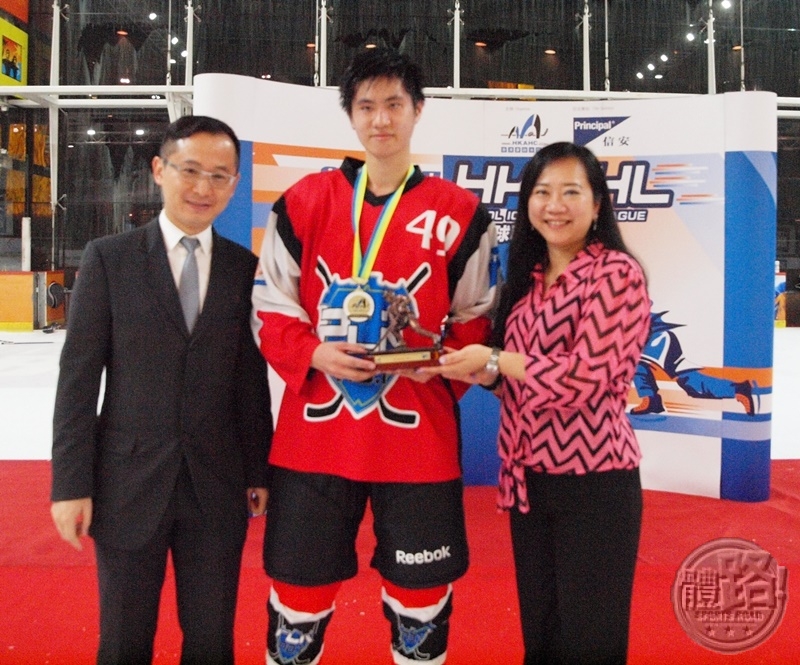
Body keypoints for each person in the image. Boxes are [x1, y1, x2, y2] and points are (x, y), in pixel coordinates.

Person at [251, 48, 498, 665]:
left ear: (418, 110)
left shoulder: (461, 212)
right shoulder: (304, 201)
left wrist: (437, 364)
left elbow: (476, 317)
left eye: (394, 104)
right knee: (298, 594)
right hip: (315, 440)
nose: (381, 119)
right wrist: (314, 352)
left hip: (417, 438)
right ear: (350, 115)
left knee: (420, 600)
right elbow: (271, 306)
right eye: (366, 106)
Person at [50, 115, 273, 664]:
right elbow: (78, 382)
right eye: (189, 170)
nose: (203, 188)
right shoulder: (109, 259)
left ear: (235, 184)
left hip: (216, 486)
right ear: (158, 170)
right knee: (124, 641)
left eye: (219, 176)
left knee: (211, 641)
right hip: (127, 484)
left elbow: (249, 381)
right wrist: (70, 484)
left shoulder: (244, 268)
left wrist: (258, 470)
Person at [425, 142, 651, 664]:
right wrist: (473, 369)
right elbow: (521, 387)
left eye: (571, 192)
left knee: (589, 639)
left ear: (597, 204)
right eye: (542, 192)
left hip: (595, 483)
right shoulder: (527, 283)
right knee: (542, 631)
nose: (555, 205)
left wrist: (496, 358)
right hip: (529, 481)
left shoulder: (616, 274)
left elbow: (588, 378)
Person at [631, 309, 756, 416]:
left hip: (653, 338)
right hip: (640, 336)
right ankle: (651, 400)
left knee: (688, 381)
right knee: (636, 365)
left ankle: (738, 389)